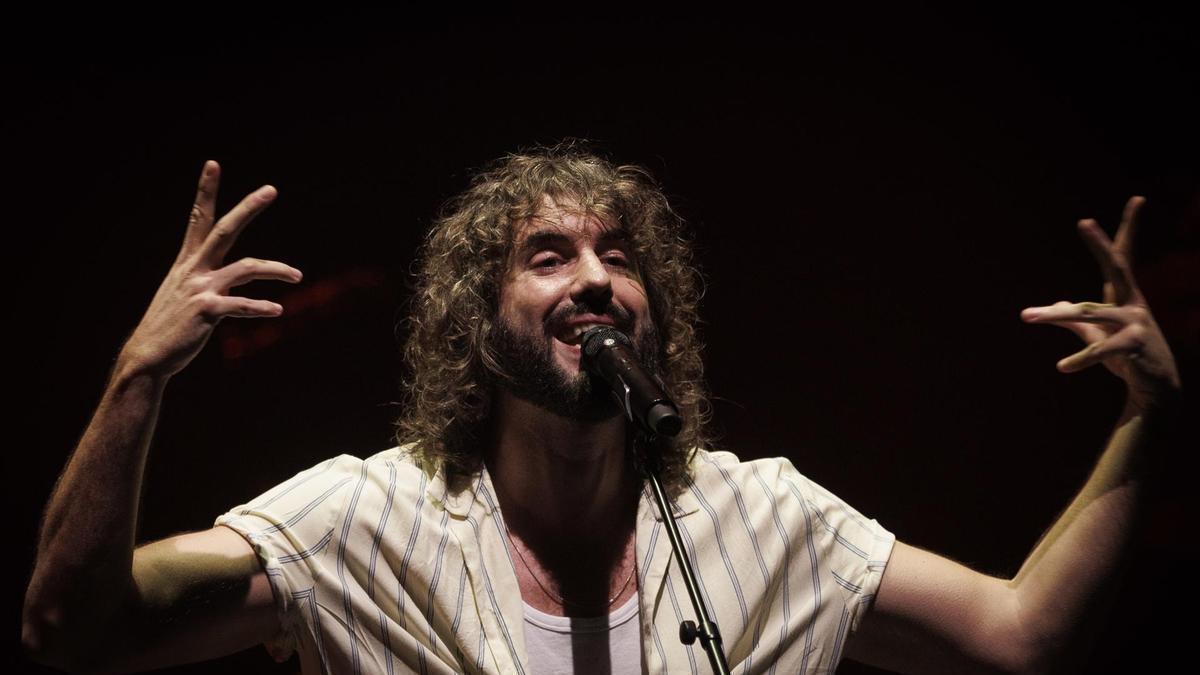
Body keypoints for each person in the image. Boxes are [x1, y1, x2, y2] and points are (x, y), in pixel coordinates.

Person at [22, 144, 1181, 674]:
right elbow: (74, 631)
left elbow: (1026, 633)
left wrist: (1149, 418)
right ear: (478, 325)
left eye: (618, 253)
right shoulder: (364, 523)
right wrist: (137, 380)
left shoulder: (764, 520)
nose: (594, 276)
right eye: (547, 254)